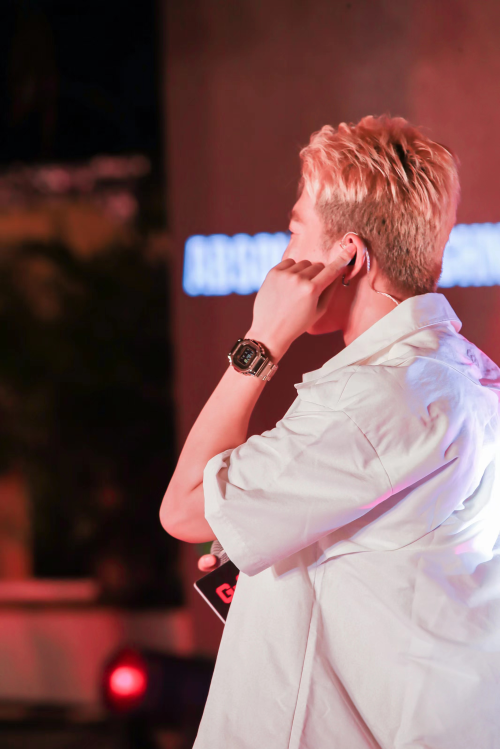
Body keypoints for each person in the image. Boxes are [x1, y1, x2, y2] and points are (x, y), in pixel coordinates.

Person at [160, 115, 500, 749]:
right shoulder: (465, 376)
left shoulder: (370, 397)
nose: (283, 258)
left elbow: (181, 508)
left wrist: (263, 339)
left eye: (295, 231)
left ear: (349, 256)